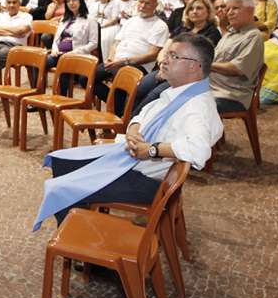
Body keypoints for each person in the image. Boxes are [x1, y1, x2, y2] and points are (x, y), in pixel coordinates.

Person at [35, 34, 222, 228]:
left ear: (194, 66)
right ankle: (79, 224)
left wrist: (152, 150)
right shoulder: (180, 91)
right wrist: (133, 129)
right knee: (62, 161)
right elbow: (143, 114)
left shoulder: (198, 106)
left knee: (62, 188)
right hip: (133, 161)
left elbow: (198, 150)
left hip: (148, 179)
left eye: (173, 56)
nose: (164, 60)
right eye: (167, 54)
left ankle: (84, 242)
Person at [132, 0, 221, 114]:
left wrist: (169, 71)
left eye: (199, 8)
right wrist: (163, 65)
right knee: (139, 89)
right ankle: (127, 118)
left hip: (187, 77)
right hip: (165, 68)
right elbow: (165, 49)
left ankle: (134, 121)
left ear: (208, 11)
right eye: (191, 9)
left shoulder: (212, 32)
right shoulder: (182, 29)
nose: (194, 11)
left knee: (153, 96)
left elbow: (195, 60)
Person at [94, 0, 169, 115]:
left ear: (155, 5)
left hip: (138, 65)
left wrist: (123, 61)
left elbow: (152, 55)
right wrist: (111, 58)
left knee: (121, 75)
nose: (143, 6)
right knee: (87, 78)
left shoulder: (160, 26)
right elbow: (116, 43)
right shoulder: (131, 21)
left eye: (147, 3)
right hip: (116, 61)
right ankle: (119, 107)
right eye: (141, 2)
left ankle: (118, 114)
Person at [209, 0, 264, 113]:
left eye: (235, 8)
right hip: (210, 88)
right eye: (228, 9)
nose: (229, 13)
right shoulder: (229, 34)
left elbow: (237, 69)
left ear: (250, 10)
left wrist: (207, 65)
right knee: (170, 95)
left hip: (231, 94)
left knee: (193, 107)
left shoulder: (253, 36)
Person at [47, 0, 98, 94]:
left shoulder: (90, 20)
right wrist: (54, 49)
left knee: (65, 64)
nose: (71, 3)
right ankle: (37, 91)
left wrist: (74, 52)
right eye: (68, 1)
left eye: (74, 0)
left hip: (77, 55)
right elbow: (56, 38)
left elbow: (94, 43)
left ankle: (61, 98)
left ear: (80, 1)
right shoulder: (64, 18)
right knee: (38, 62)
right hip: (58, 54)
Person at [0, 0, 33, 85]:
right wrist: (14, 33)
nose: (11, 5)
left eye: (14, 2)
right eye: (9, 2)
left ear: (19, 4)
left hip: (16, 47)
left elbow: (21, 30)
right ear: (5, 4)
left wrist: (2, 30)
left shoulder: (26, 16)